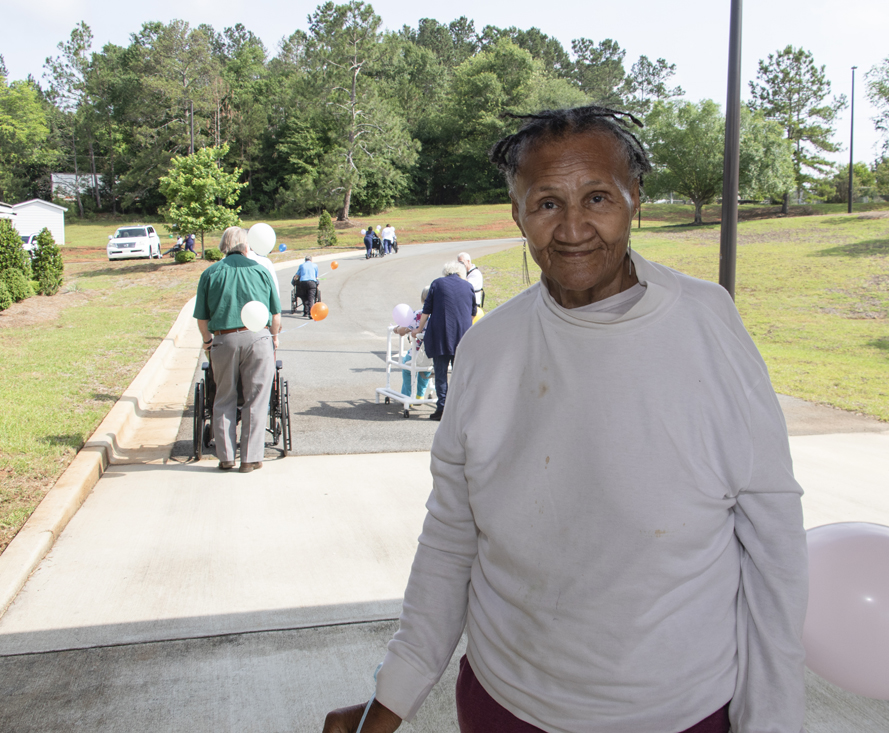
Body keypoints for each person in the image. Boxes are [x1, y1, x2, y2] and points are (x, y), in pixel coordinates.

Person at [323, 107, 808, 733]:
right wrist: (389, 700)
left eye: (598, 197)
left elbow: (773, 546)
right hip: (507, 705)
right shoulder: (489, 347)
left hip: (680, 712)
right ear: (519, 214)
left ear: (635, 199)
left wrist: (772, 720)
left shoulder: (706, 325)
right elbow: (451, 539)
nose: (574, 227)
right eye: (547, 203)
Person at [193, 226, 281, 473]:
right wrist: (274, 338)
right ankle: (250, 458)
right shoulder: (261, 271)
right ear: (247, 246)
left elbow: (202, 318)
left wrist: (207, 339)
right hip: (258, 340)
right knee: (256, 399)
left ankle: (226, 457)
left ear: (223, 246)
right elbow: (276, 316)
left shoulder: (210, 274)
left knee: (223, 398)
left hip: (224, 340)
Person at [404, 261, 474, 421]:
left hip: (441, 336)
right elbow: (472, 312)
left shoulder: (437, 283)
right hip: (462, 337)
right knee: (460, 374)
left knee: (441, 374)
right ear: (461, 273)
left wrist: (418, 329)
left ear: (446, 272)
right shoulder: (468, 286)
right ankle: (460, 410)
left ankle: (442, 408)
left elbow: (426, 310)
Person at [393, 286, 432, 401]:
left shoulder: (418, 314)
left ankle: (407, 395)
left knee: (407, 367)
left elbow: (403, 330)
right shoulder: (440, 316)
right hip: (433, 354)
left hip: (417, 352)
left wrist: (397, 329)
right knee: (426, 370)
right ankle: (420, 394)